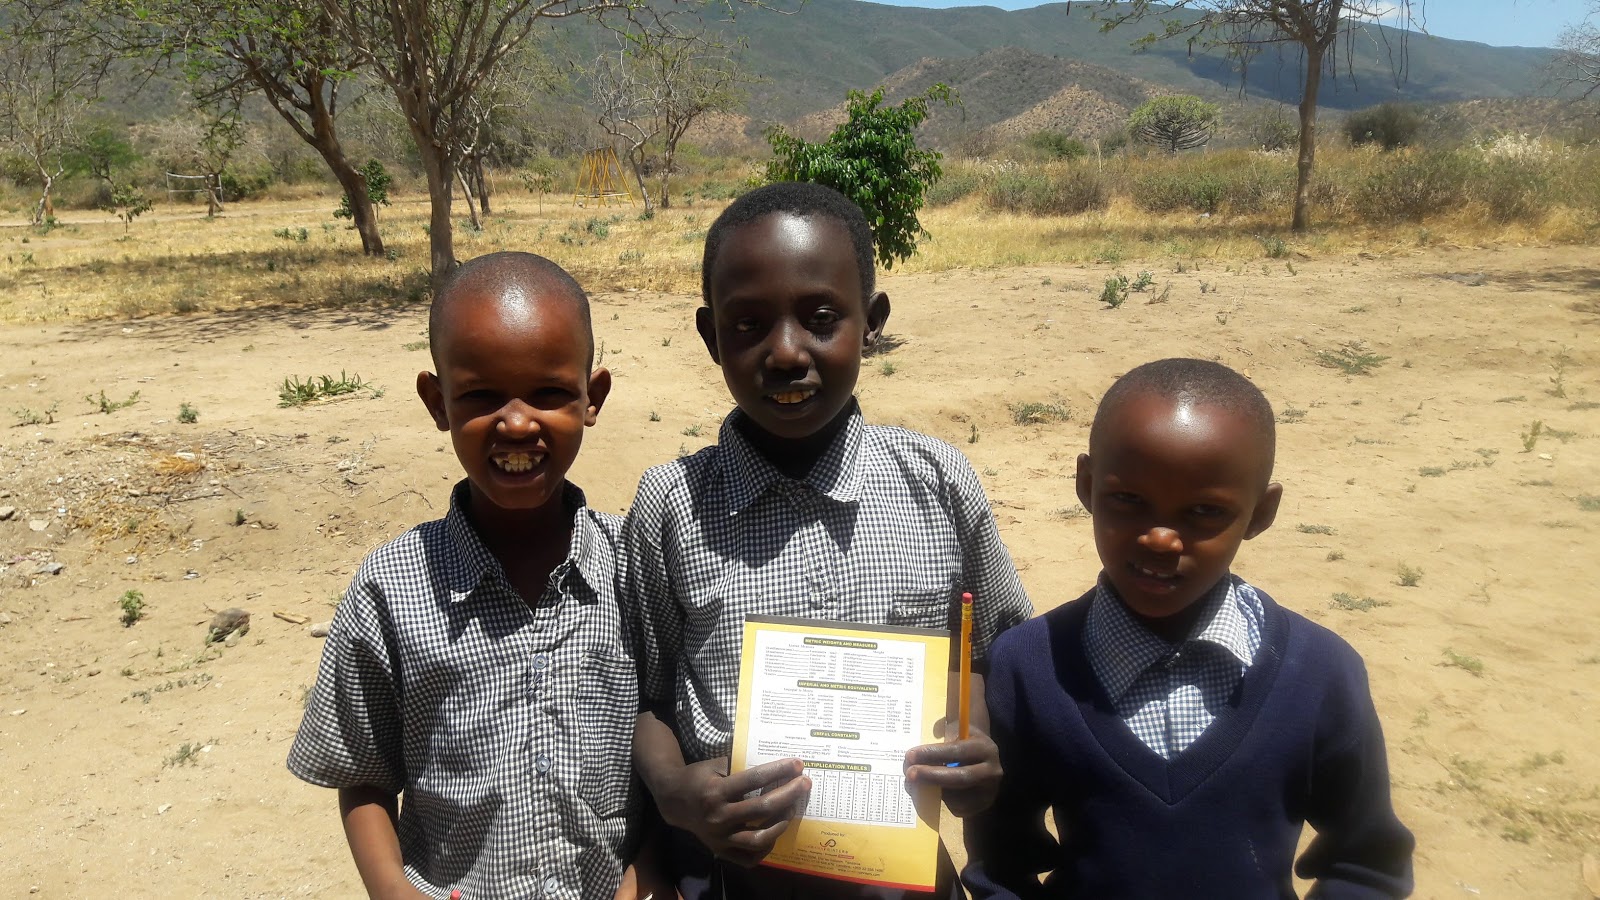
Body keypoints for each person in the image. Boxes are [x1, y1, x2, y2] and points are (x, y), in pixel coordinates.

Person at [621, 181, 1034, 899]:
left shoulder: (938, 484)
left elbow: (986, 653)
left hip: (901, 878)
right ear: (711, 336)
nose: (786, 353)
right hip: (730, 878)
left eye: (820, 319)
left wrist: (974, 741)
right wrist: (675, 791)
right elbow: (647, 694)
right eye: (748, 325)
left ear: (871, 323)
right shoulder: (671, 506)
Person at [964, 358, 1415, 899]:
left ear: (1260, 513)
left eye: (1204, 512)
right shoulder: (1030, 665)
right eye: (1128, 500)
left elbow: (1366, 863)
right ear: (1086, 485)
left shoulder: (1319, 673)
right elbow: (1000, 863)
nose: (1160, 539)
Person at [287, 252, 655, 899]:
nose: (517, 422)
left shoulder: (636, 566)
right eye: (481, 397)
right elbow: (364, 773)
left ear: (592, 397)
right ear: (438, 402)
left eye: (549, 394)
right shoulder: (391, 589)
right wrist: (393, 892)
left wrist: (646, 874)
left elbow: (670, 746)